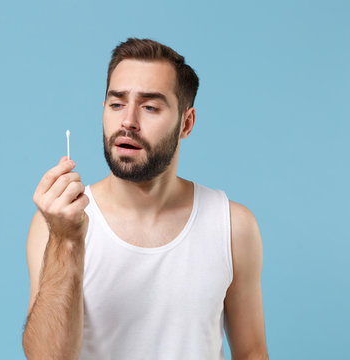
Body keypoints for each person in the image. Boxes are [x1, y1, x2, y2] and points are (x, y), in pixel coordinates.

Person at [22, 38, 269, 360]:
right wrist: (66, 240)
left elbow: (251, 352)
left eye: (150, 107)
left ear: (186, 123)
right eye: (117, 103)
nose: (128, 120)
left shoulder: (233, 225)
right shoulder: (55, 223)